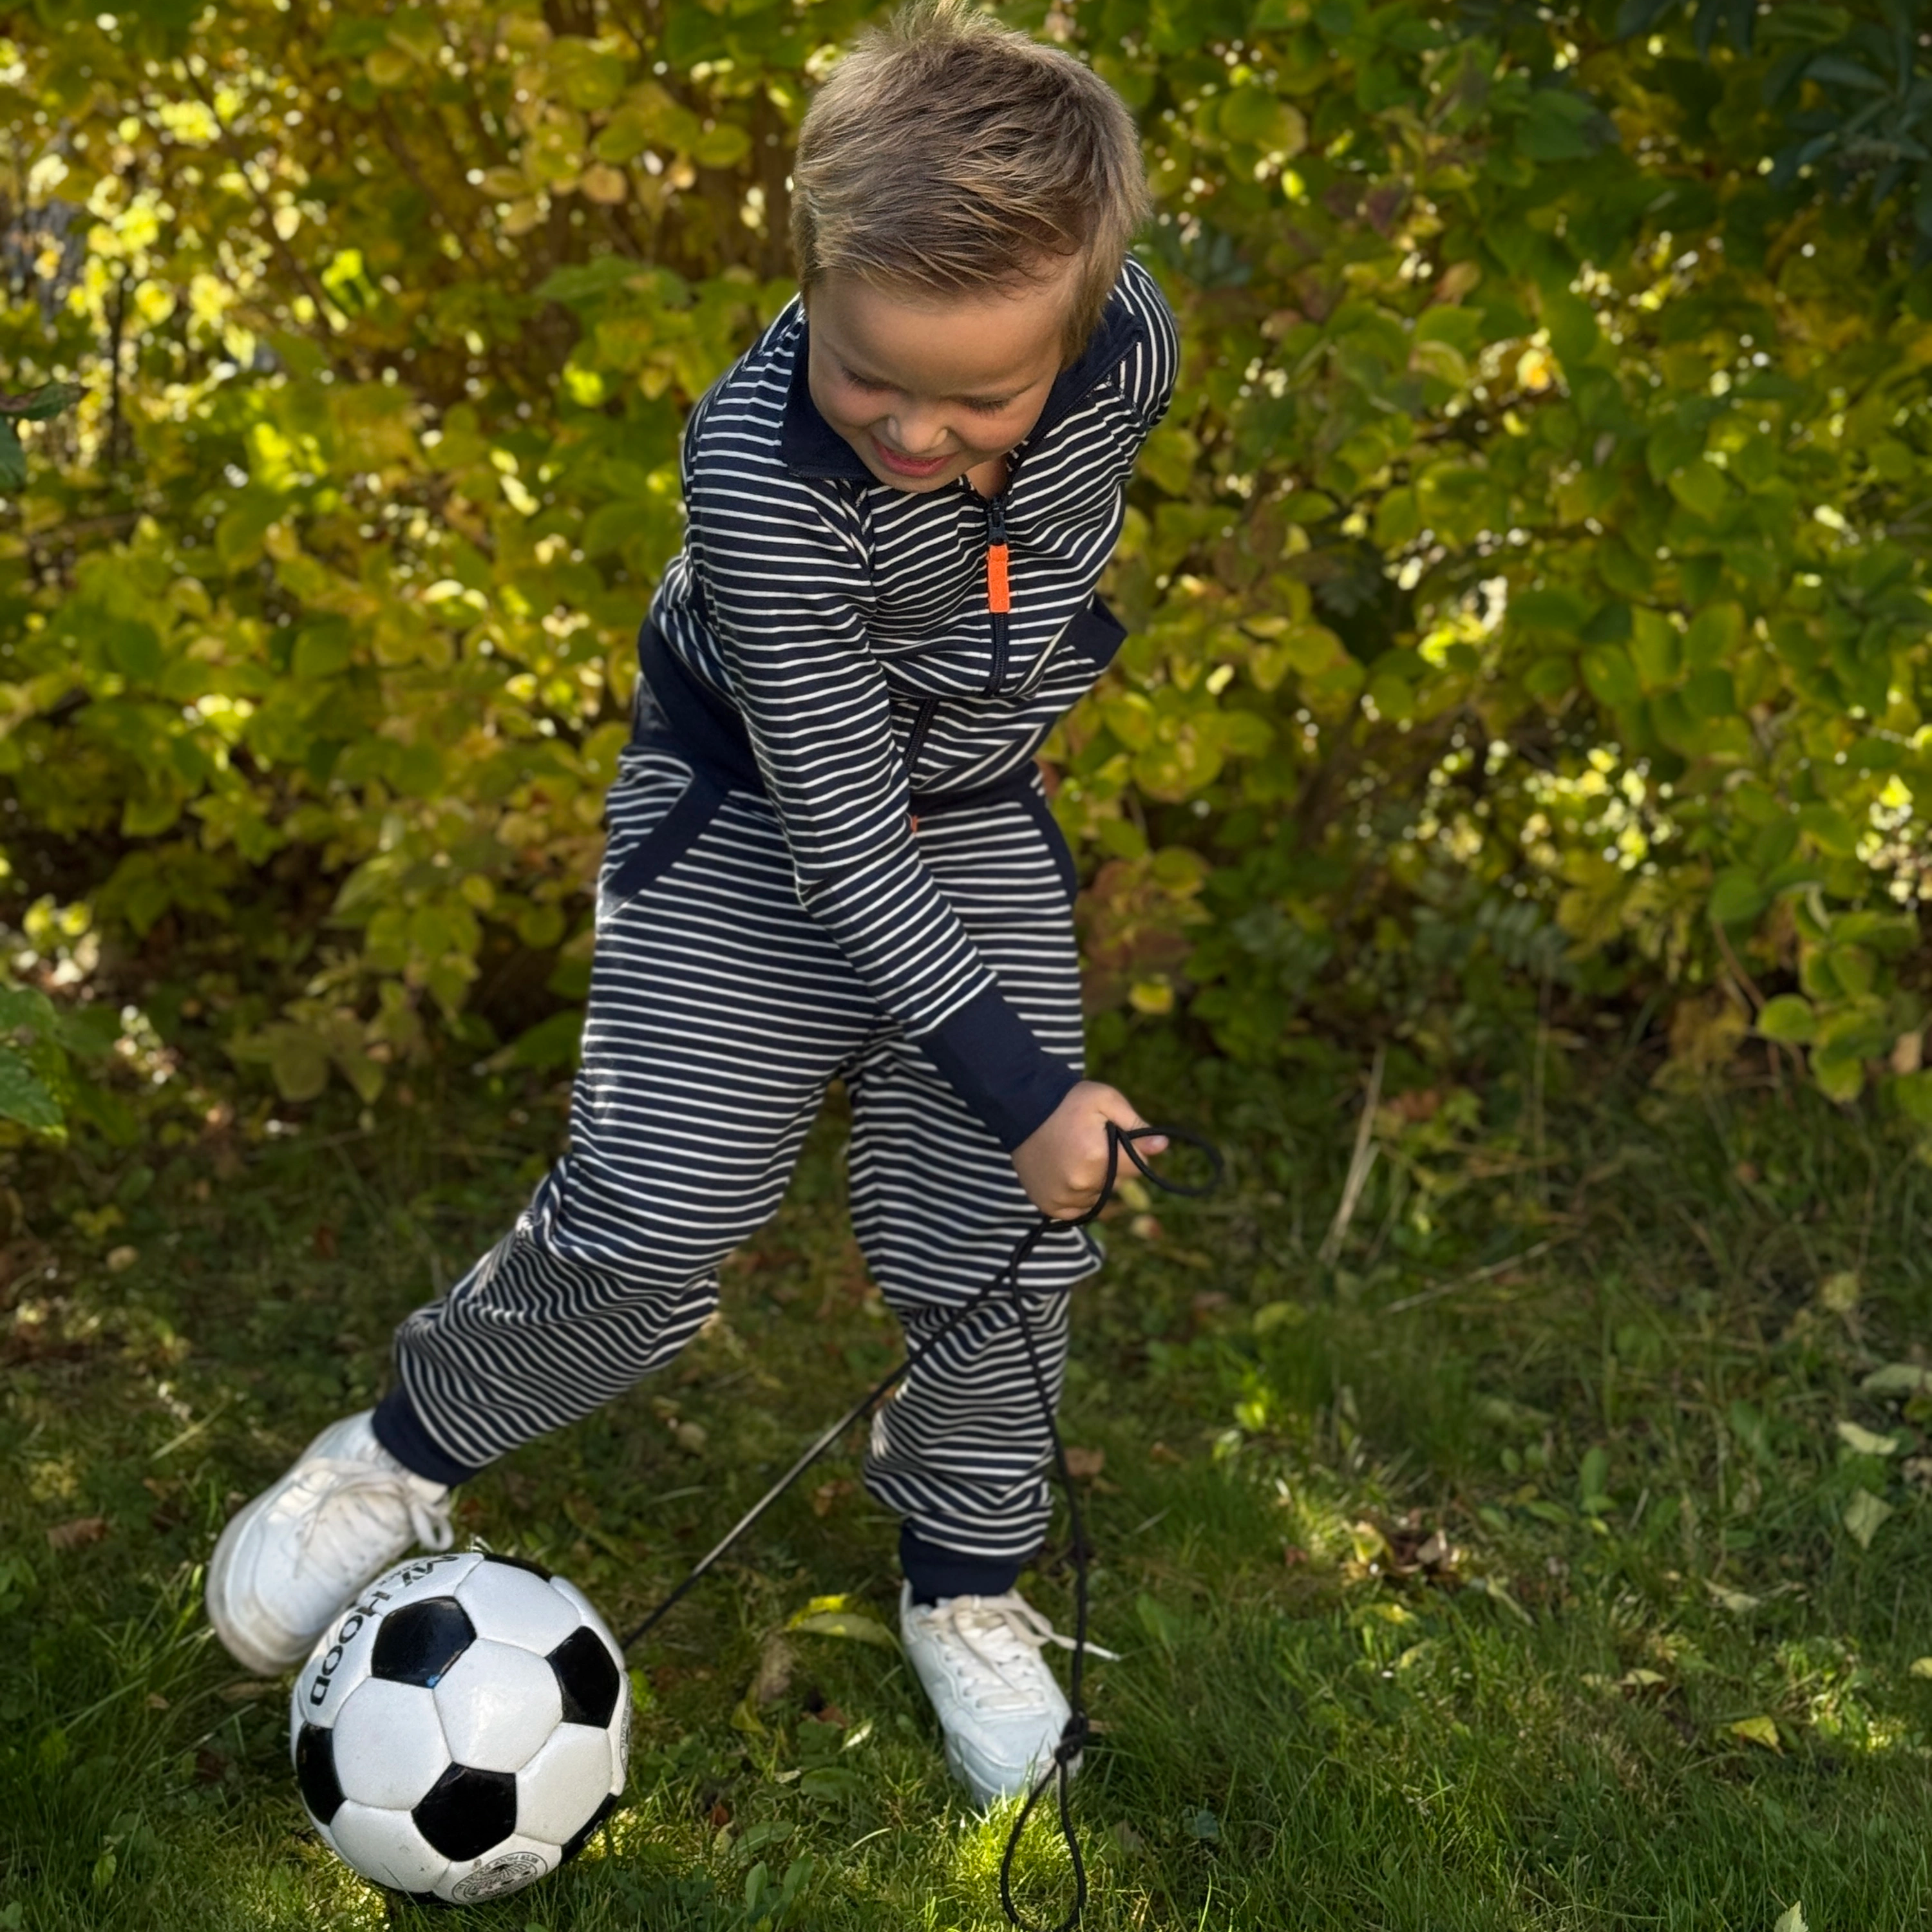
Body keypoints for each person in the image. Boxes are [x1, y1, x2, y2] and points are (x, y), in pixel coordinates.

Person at [205, 0, 1178, 1810]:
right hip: (756, 810)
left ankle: (965, 1584)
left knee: (1004, 1235)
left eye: (981, 399)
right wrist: (1030, 1085)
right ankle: (401, 1449)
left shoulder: (1128, 344)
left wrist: (1017, 1116)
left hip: (970, 805)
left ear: (1086, 317)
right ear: (809, 277)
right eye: (871, 375)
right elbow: (843, 840)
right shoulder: (756, 480)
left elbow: (1016, 569)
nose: (917, 430)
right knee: (658, 1222)